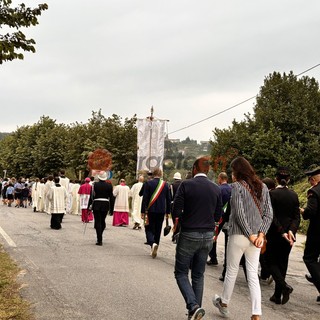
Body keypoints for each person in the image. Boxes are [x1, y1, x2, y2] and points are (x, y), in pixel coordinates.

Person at [213, 156, 273, 320]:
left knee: (231, 270)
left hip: (239, 235)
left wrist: (250, 234)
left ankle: (224, 302)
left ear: (238, 172)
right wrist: (260, 234)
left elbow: (238, 213)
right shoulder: (263, 187)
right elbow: (269, 214)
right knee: (253, 274)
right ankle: (256, 313)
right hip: (256, 239)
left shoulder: (236, 187)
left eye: (233, 171)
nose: (232, 175)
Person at [173, 156, 222, 320]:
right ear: (207, 170)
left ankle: (193, 306)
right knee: (198, 275)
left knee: (180, 273)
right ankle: (194, 314)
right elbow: (218, 215)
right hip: (208, 235)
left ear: (194, 169)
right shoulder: (216, 188)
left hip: (189, 233)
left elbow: (176, 211)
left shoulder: (185, 185)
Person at [265, 167, 300, 305]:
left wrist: (281, 231)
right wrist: (291, 230)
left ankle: (284, 287)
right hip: (289, 235)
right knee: (283, 263)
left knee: (270, 261)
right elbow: (297, 217)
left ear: (276, 179)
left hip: (275, 233)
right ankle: (277, 294)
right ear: (289, 179)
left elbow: (271, 215)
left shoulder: (272, 194)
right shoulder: (294, 195)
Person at [300, 166, 320, 303]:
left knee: (310, 258)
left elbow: (310, 212)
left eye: (310, 179)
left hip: (317, 231)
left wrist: (303, 211)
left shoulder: (314, 192)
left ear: (313, 179)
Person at [141, 168, 171, 258]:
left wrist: (142, 211)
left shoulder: (148, 183)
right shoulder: (166, 185)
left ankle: (152, 243)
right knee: (158, 229)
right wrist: (168, 212)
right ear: (161, 174)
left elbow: (145, 198)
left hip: (150, 210)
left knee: (148, 228)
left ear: (153, 174)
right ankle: (155, 246)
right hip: (161, 210)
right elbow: (168, 200)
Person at [207, 171, 232, 266]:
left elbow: (215, 203)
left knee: (213, 237)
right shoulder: (231, 189)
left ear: (220, 179)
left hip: (219, 217)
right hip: (229, 217)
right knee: (228, 240)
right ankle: (227, 261)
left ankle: (213, 258)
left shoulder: (218, 189)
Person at [88, 172, 113, 245]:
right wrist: (111, 208)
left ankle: (99, 238)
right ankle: (100, 234)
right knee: (102, 221)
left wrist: (89, 206)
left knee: (98, 221)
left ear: (99, 177)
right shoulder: (109, 186)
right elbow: (111, 197)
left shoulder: (94, 185)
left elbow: (91, 196)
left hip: (96, 204)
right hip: (105, 204)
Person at [170, 171, 182, 242]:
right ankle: (178, 234)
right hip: (181, 205)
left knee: (175, 220)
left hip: (173, 204)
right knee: (180, 221)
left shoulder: (171, 185)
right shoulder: (183, 184)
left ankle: (175, 235)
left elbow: (170, 196)